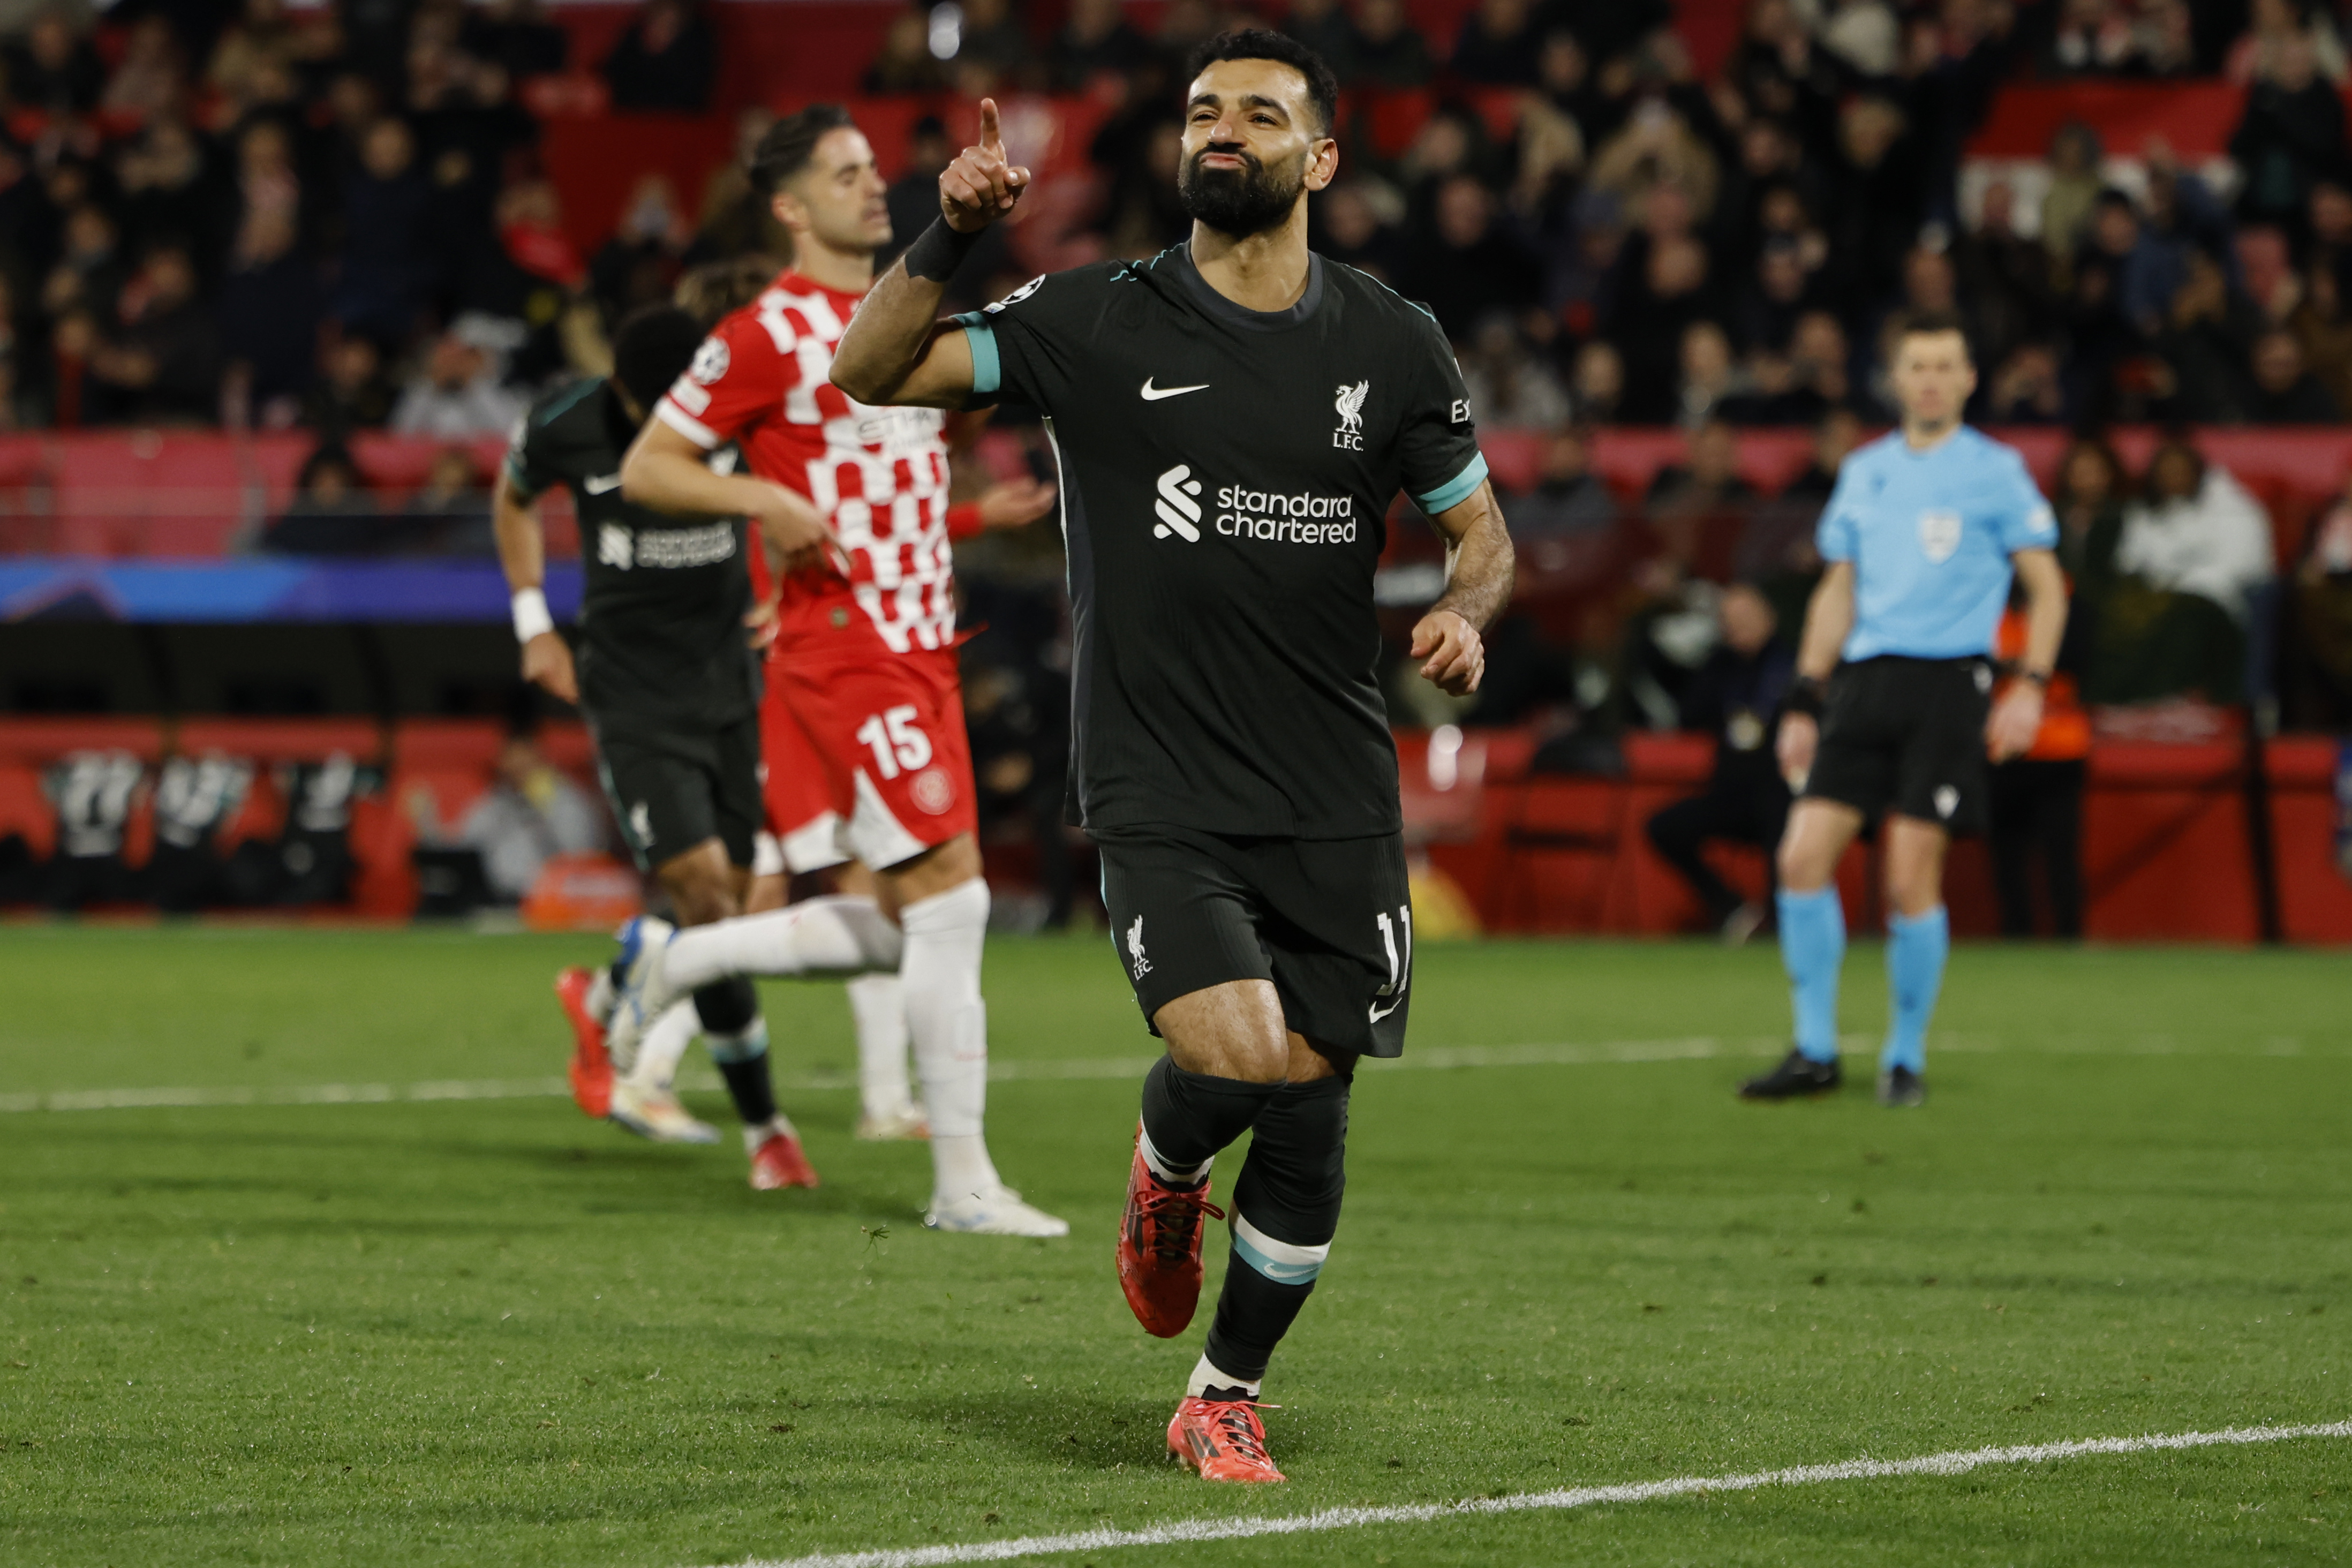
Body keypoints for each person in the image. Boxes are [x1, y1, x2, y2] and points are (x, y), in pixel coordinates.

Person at [826, 31, 1513, 1481]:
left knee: (1315, 1088)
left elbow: (1480, 529)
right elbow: (870, 365)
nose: (1225, 131)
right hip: (1161, 776)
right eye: (1205, 110)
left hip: (1333, 782)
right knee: (1236, 1052)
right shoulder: (1097, 320)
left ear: (1319, 160)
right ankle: (1169, 1164)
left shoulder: (1393, 341)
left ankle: (1222, 1390)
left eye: (1262, 115)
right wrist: (952, 228)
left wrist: (1463, 608)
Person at [609, 105, 1066, 1239]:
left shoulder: (906, 324)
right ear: (789, 207)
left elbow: (894, 493)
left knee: (908, 916)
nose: (873, 187)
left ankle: (683, 959)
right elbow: (652, 466)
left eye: (873, 169)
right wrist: (760, 496)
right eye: (844, 173)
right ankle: (961, 1185)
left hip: (927, 650)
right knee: (954, 901)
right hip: (848, 651)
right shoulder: (765, 334)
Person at [495, 304, 825, 1173]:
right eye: (654, 410)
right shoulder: (566, 425)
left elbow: (804, 496)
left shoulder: (740, 413)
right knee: (708, 895)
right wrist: (534, 623)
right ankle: (768, 1131)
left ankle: (604, 990)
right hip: (631, 694)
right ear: (619, 393)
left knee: (739, 902)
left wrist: (779, 584)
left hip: (730, 685)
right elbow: (512, 499)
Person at [1747, 310, 2068, 1108]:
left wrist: (2029, 687)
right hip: (1863, 683)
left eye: (1944, 366)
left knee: (1909, 876)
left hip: (1950, 685)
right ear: (1896, 380)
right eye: (1916, 365)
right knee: (1800, 859)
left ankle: (1904, 1055)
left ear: (1968, 380)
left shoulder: (1996, 470)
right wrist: (1804, 697)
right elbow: (1839, 589)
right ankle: (1816, 1049)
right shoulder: (1866, 470)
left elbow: (2049, 587)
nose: (1929, 379)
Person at [1644, 582, 1794, 943]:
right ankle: (1730, 906)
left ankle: (1778, 926)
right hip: (1730, 794)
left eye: (1746, 617)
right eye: (1729, 620)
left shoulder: (1792, 663)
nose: (1737, 627)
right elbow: (1689, 715)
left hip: (1782, 793)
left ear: (1768, 618)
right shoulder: (1720, 666)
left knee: (1779, 814)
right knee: (1665, 827)